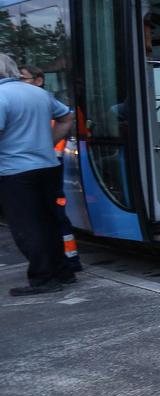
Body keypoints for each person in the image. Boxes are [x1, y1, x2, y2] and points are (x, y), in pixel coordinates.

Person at [0, 52, 75, 295]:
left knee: (27, 227)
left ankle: (43, 278)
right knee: (50, 221)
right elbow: (66, 118)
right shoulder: (39, 93)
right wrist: (46, 142)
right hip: (48, 166)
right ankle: (64, 271)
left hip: (15, 172)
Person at [20, 65, 82, 274]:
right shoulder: (42, 105)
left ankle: (67, 262)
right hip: (46, 168)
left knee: (53, 218)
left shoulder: (44, 105)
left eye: (23, 78)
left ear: (38, 80)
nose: (19, 83)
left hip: (47, 169)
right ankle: (68, 260)